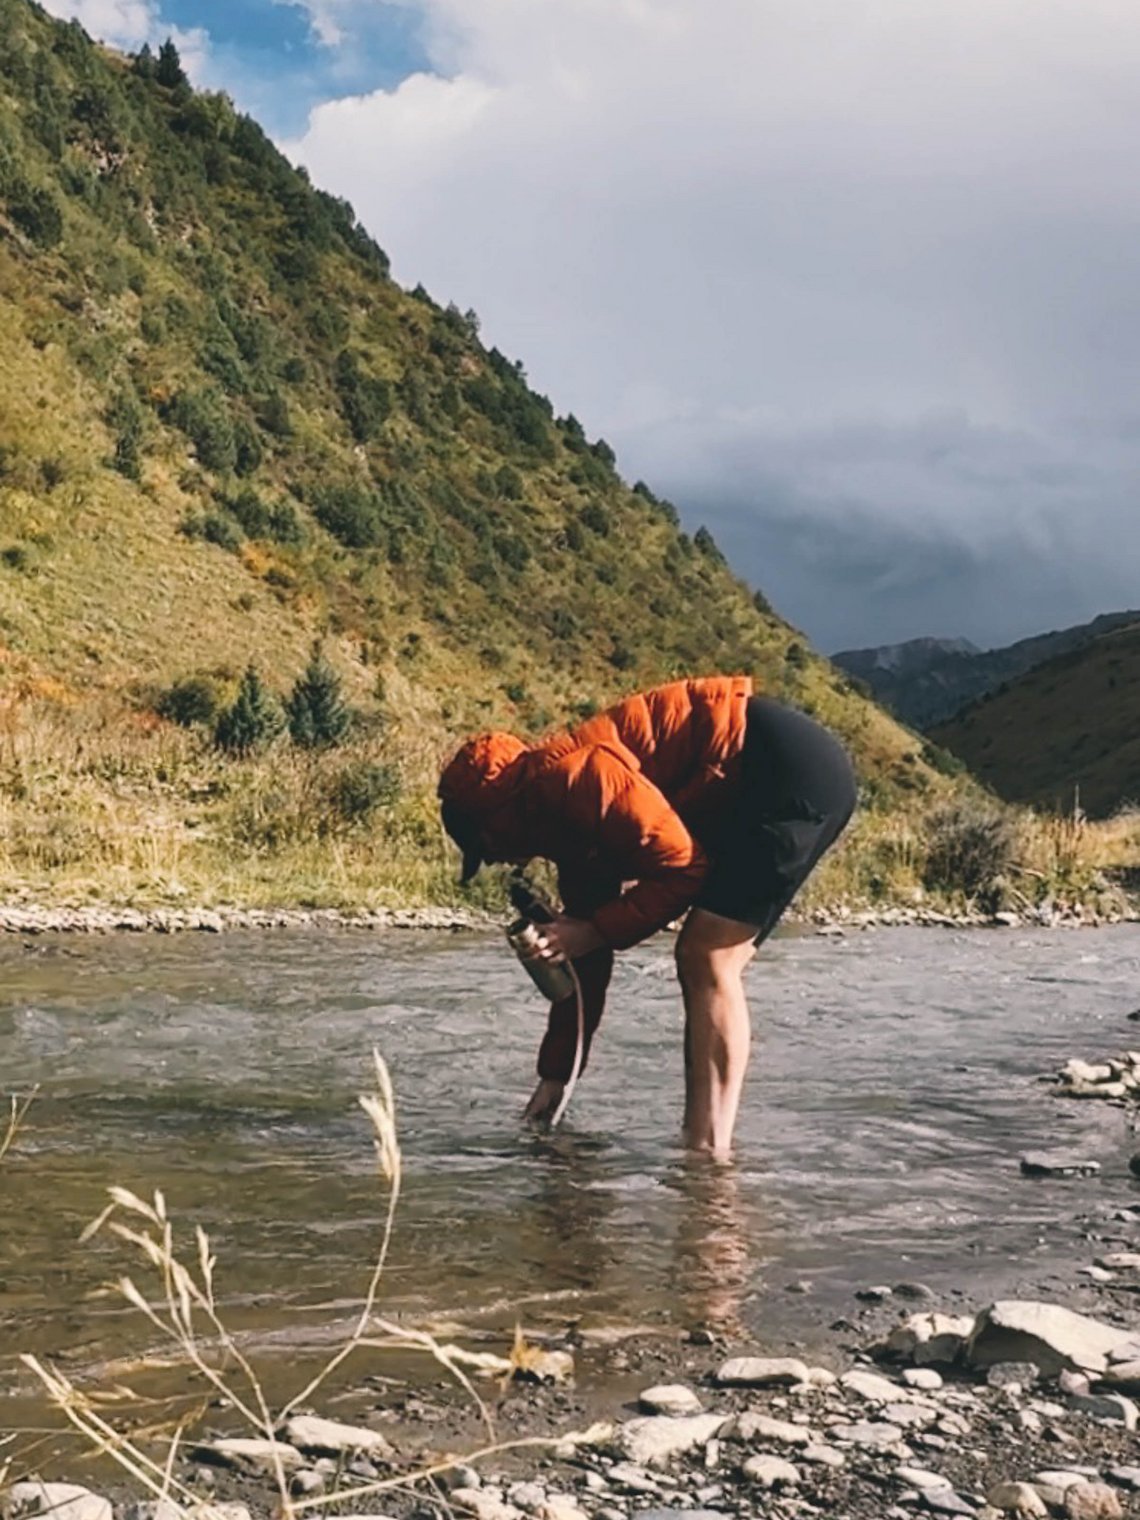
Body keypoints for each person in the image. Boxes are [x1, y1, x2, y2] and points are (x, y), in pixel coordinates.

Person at [437, 675, 856, 1156]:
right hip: (756, 783)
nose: (500, 862)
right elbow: (587, 965)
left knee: (706, 958)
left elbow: (684, 868)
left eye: (486, 849)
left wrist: (593, 931)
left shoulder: (578, 778)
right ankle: (705, 1147)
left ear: (498, 818)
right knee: (707, 960)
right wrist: (555, 1077)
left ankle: (706, 1158)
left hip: (782, 768)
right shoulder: (563, 828)